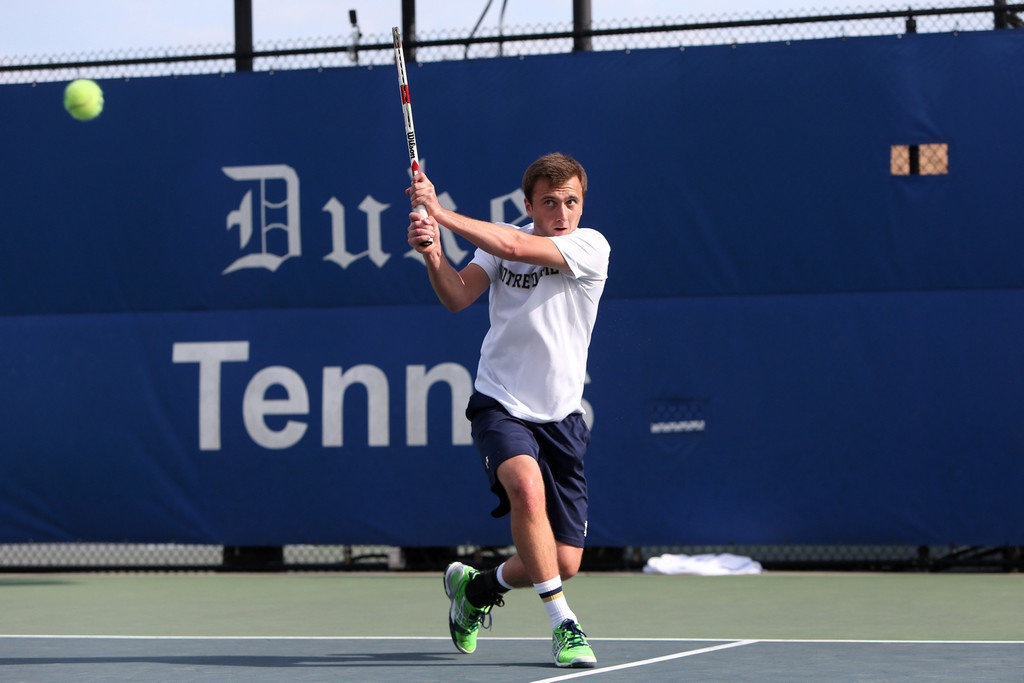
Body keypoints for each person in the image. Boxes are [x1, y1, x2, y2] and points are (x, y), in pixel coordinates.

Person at [406, 152, 610, 669]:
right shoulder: (499, 247)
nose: (561, 212)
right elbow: (457, 296)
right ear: (529, 204)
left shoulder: (590, 247)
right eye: (549, 202)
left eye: (571, 201)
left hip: (562, 417)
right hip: (500, 402)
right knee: (524, 488)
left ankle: (475, 590)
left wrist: (440, 211)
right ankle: (564, 624)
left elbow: (518, 244)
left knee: (564, 561)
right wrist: (432, 253)